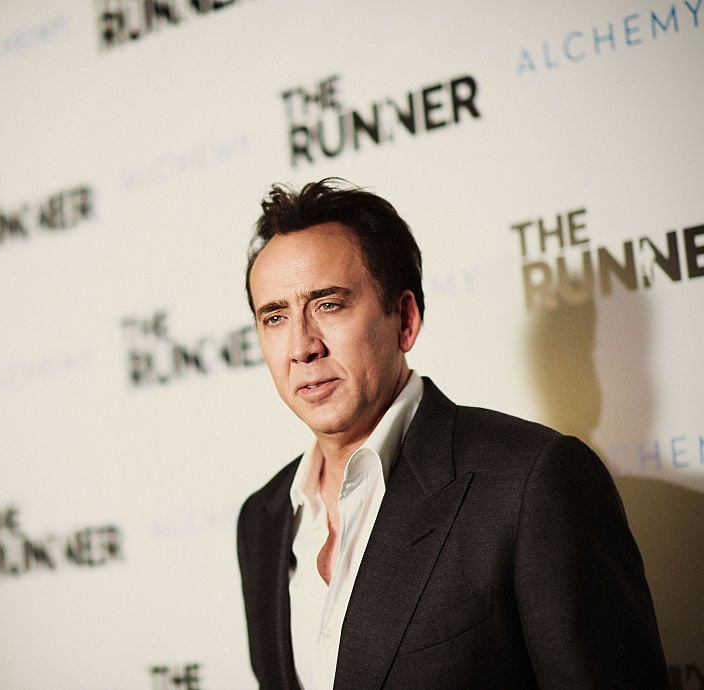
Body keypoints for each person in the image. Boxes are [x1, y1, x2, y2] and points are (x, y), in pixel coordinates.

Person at [236, 178, 668, 689]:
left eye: (328, 304)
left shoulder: (532, 482)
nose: (301, 347)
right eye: (275, 317)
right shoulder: (262, 519)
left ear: (405, 319)